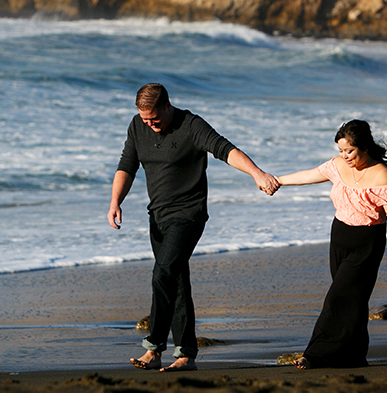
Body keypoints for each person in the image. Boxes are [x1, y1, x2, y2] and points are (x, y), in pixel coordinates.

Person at [107, 83, 280, 372]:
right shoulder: (138, 126)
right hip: (158, 216)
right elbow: (127, 165)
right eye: (145, 119)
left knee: (163, 273)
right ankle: (186, 354)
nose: (150, 124)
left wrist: (257, 173)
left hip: (189, 214)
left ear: (167, 106)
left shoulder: (192, 125)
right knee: (175, 279)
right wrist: (115, 201)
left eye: (155, 119)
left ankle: (154, 347)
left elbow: (225, 149)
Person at [275, 119, 387, 369]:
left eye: (349, 150)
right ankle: (355, 355)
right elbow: (309, 175)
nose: (344, 156)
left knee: (337, 298)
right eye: (340, 151)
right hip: (339, 237)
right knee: (354, 300)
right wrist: (277, 180)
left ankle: (315, 354)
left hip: (367, 243)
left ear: (365, 147)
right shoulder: (337, 166)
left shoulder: (381, 173)